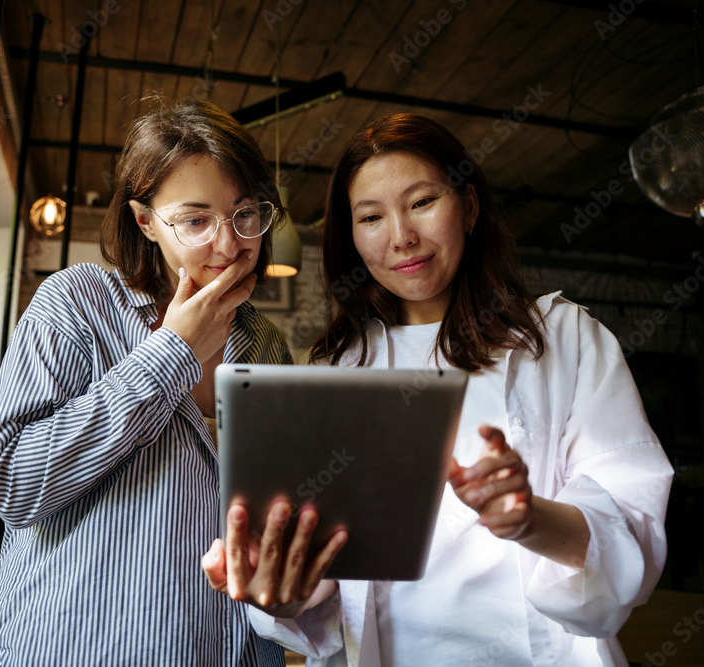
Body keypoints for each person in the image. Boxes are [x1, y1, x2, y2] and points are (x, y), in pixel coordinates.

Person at [202, 113, 674, 666]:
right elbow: (331, 604)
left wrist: (530, 519)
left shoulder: (562, 338)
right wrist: (283, 586)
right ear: (351, 238)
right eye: (371, 216)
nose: (401, 236)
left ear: (469, 207)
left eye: (422, 202)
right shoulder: (341, 367)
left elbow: (631, 520)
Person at [0, 99, 294, 666]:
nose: (228, 243)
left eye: (245, 214)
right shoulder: (77, 301)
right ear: (146, 221)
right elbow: (14, 484)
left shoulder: (267, 346)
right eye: (195, 220)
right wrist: (171, 353)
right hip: (67, 649)